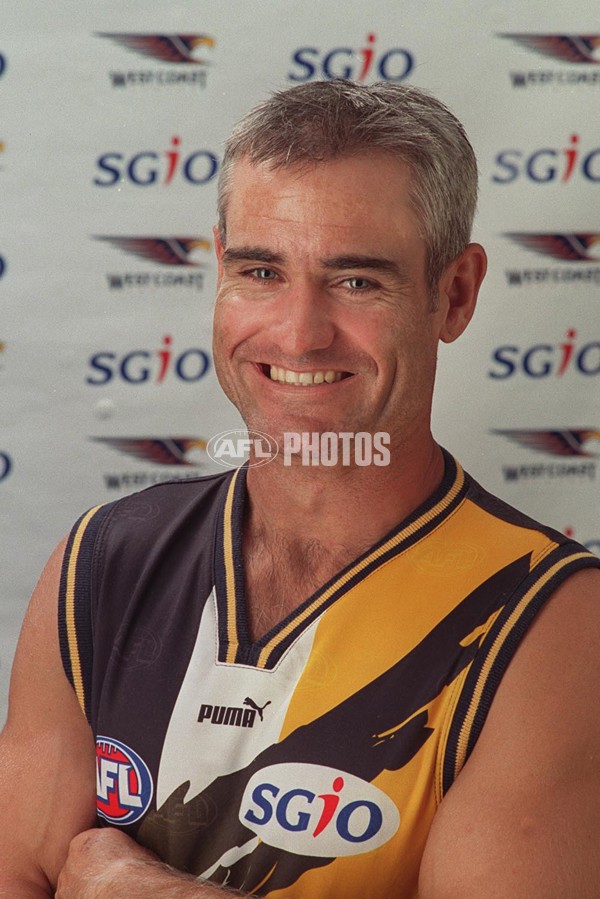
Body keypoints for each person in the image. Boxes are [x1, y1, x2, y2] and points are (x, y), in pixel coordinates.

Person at [1, 80, 599, 899]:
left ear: (453, 293)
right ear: (219, 269)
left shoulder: (553, 622)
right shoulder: (103, 561)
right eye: (261, 270)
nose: (298, 332)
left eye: (356, 281)